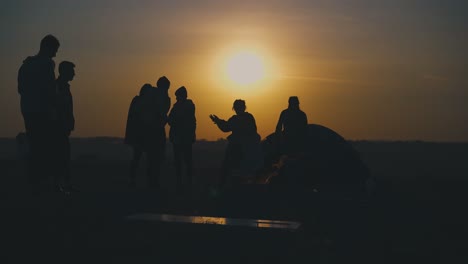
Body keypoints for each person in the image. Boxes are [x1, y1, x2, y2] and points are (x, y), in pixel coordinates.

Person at [17, 34, 60, 193]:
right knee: (44, 146)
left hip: (28, 110)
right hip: (43, 111)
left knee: (35, 144)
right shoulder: (47, 64)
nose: (55, 54)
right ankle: (41, 181)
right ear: (47, 47)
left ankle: (34, 180)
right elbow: (50, 90)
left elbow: (20, 89)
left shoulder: (26, 65)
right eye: (55, 50)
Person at [210, 99, 262, 187]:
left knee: (227, 167)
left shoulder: (237, 119)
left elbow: (226, 127)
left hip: (238, 147)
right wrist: (218, 121)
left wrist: (218, 121)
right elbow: (226, 127)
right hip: (248, 147)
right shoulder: (248, 117)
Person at [167, 86, 196, 192]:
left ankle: (183, 182)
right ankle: (185, 182)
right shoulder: (187, 107)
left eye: (177, 96)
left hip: (181, 138)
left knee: (182, 161)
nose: (176, 98)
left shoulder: (181, 107)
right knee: (184, 161)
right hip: (183, 138)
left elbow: (171, 120)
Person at [54, 61, 77, 193]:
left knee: (63, 155)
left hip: (63, 126)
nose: (74, 74)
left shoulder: (63, 86)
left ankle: (64, 184)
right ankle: (59, 184)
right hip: (59, 127)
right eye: (72, 71)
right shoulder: (59, 87)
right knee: (61, 155)